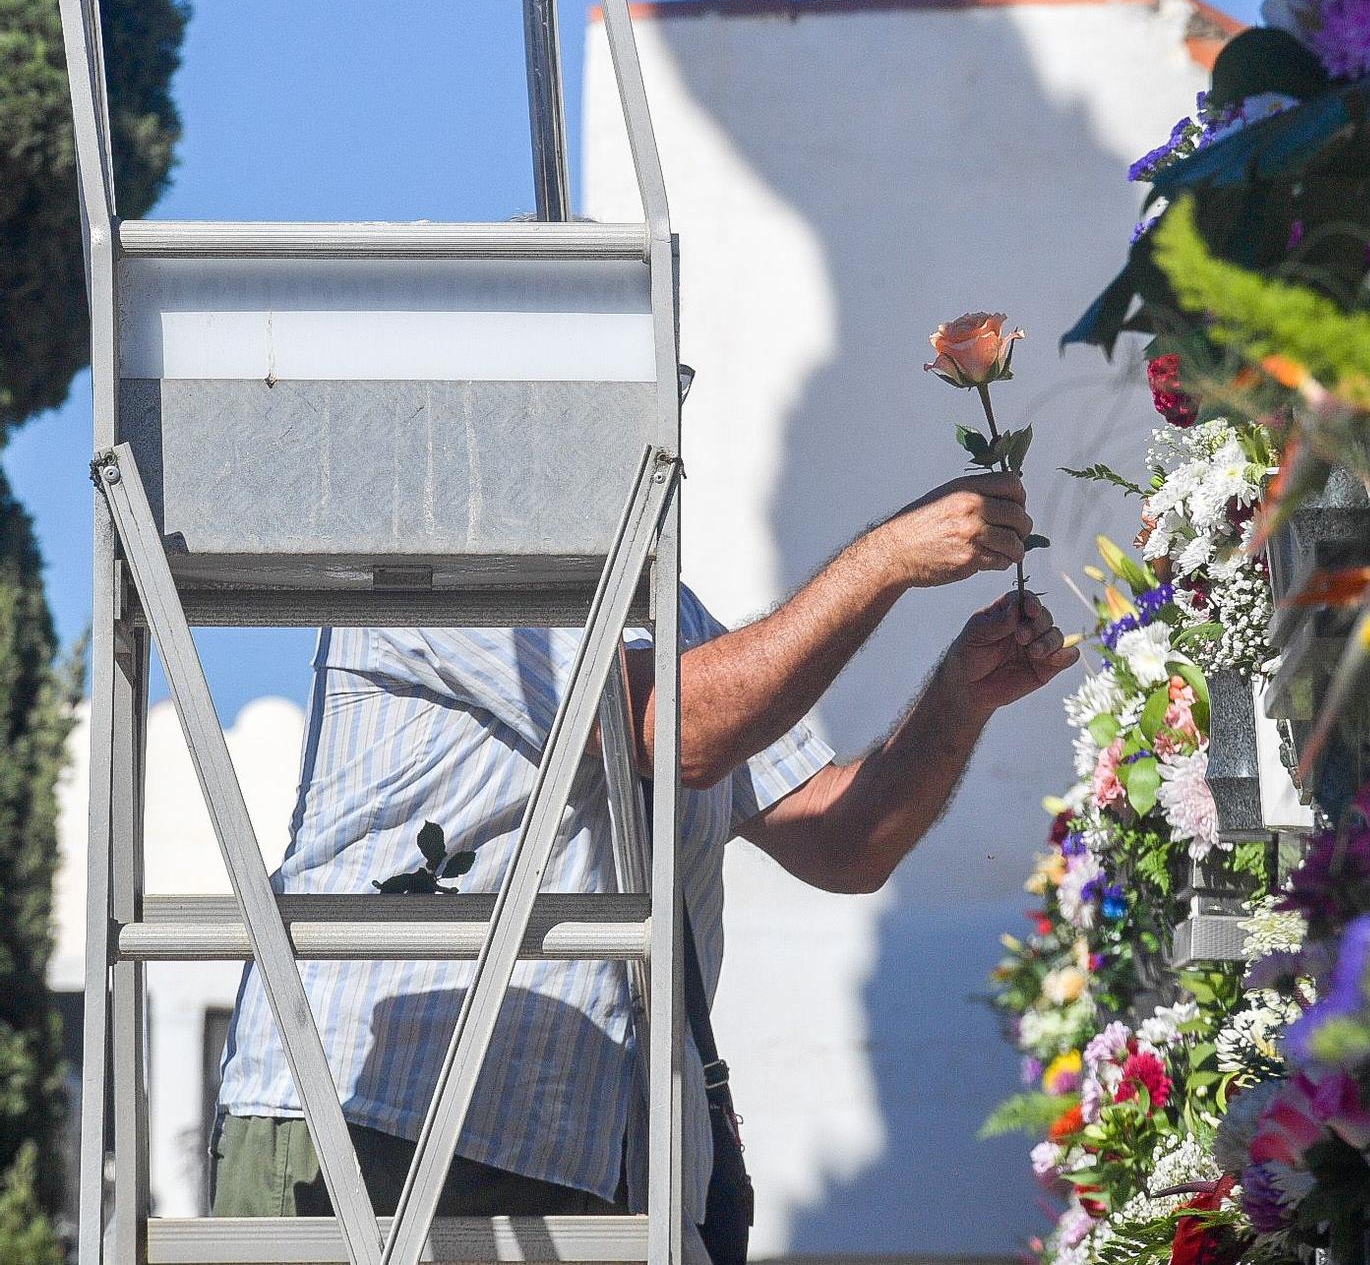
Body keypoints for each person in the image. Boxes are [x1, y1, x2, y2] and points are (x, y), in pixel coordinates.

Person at [211, 472, 1078, 1261]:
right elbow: (679, 727)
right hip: (377, 1129)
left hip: (586, 1163)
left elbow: (842, 838)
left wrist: (960, 698)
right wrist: (884, 558)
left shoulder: (666, 616)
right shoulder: (437, 558)